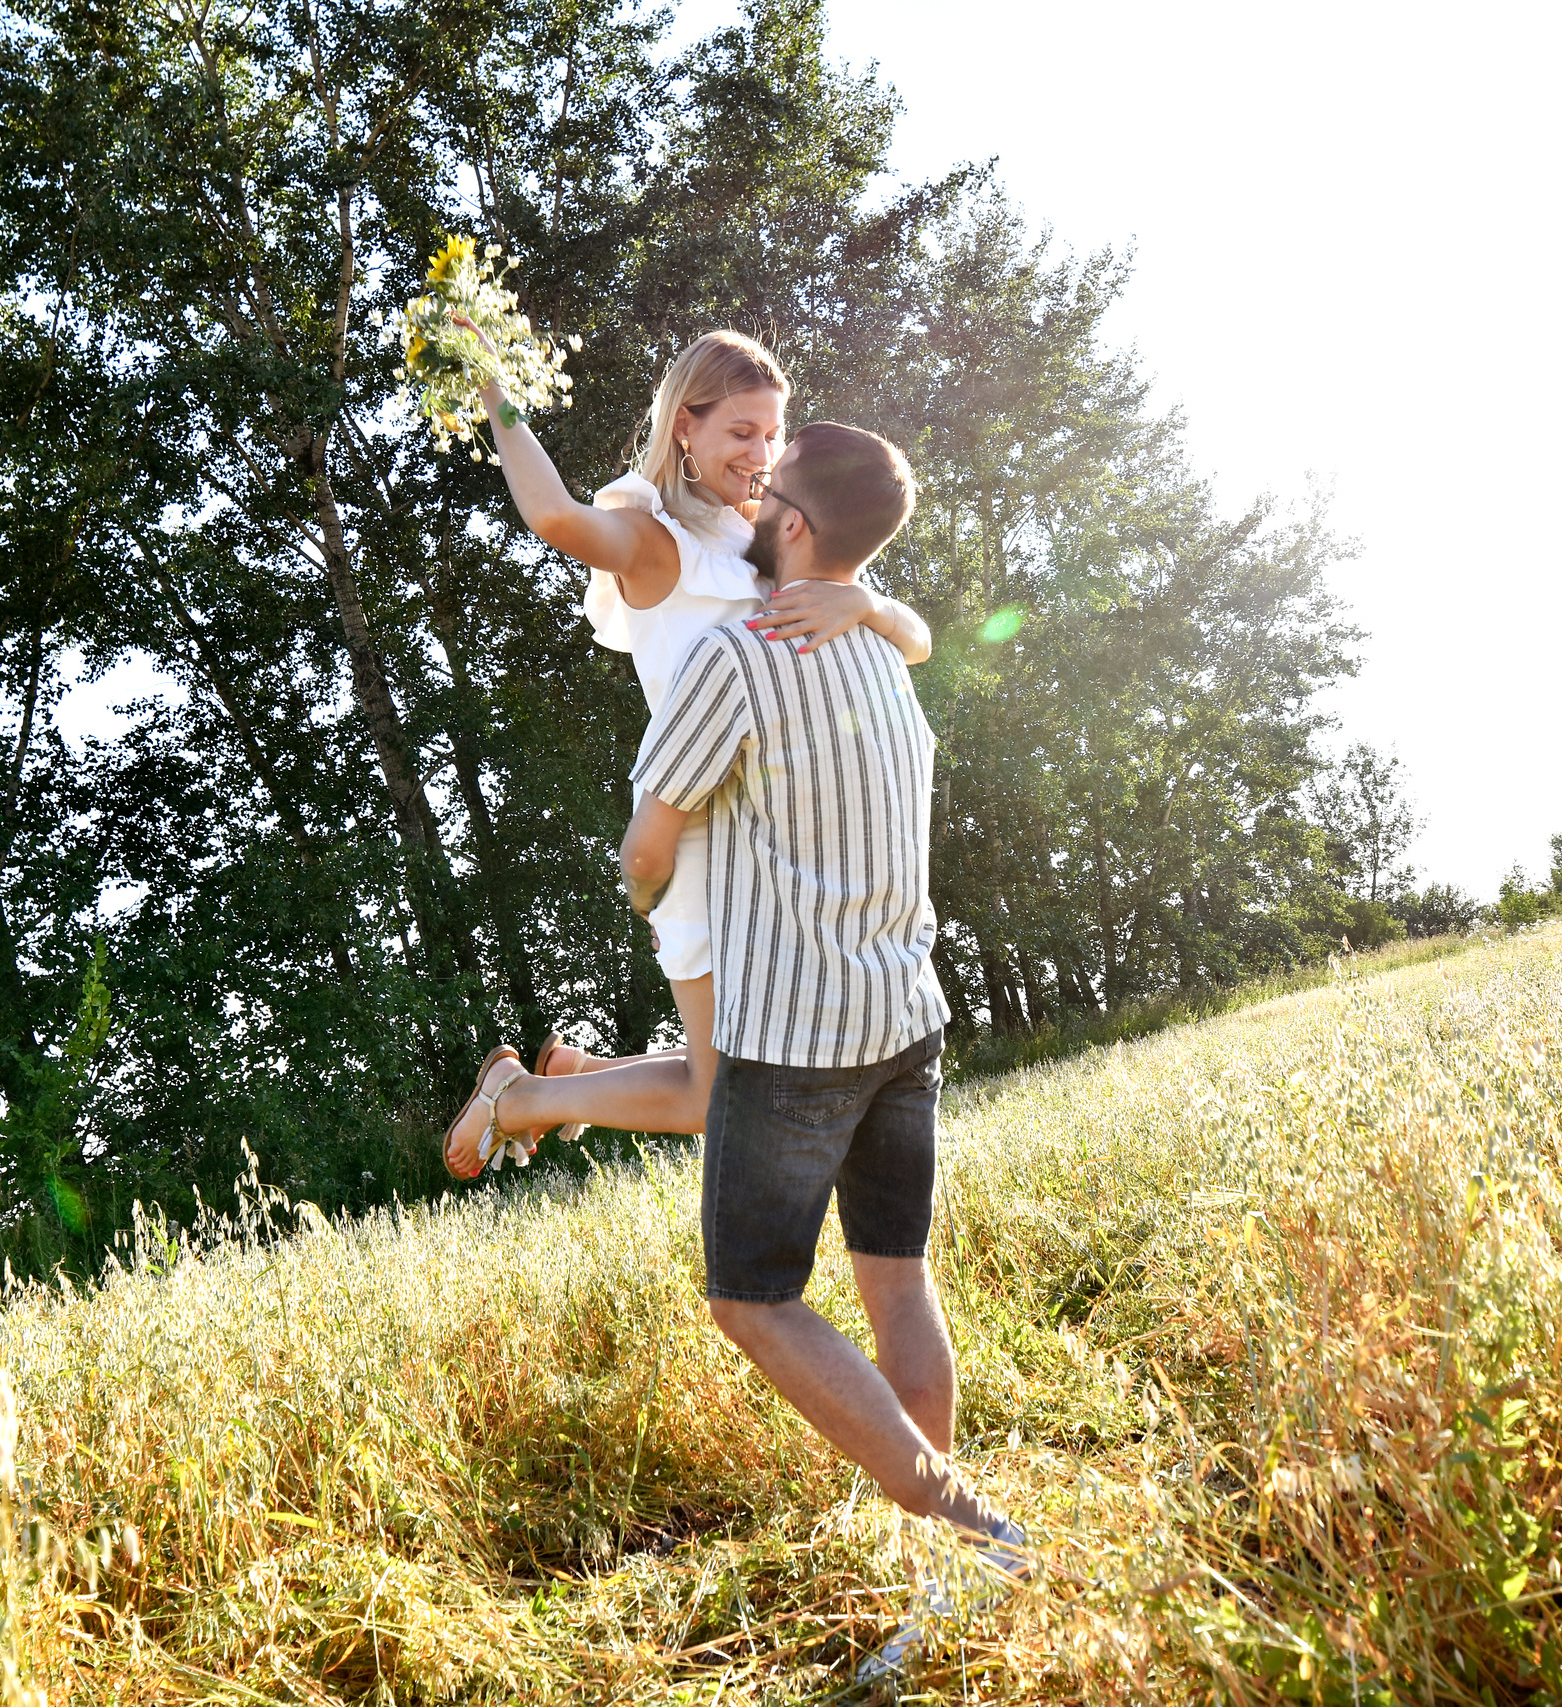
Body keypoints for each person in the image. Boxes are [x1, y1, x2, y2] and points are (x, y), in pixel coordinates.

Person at [623, 422, 1026, 1665]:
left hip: (797, 1040)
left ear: (795, 526)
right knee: (896, 1280)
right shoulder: (878, 651)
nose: (754, 490)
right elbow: (898, 629)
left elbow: (650, 844)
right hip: (906, 1015)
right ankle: (949, 1578)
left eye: (771, 480)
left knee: (751, 1301)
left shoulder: (737, 656)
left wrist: (649, 901)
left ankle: (977, 1528)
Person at [441, 331, 932, 1175]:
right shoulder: (653, 537)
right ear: (686, 430)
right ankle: (523, 1097)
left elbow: (917, 642)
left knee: (741, 1070)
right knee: (719, 1092)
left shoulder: (770, 533)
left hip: (773, 834)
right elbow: (554, 515)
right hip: (694, 829)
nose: (763, 453)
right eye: (742, 432)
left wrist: (865, 605)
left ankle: (571, 1077)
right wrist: (496, 394)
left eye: (774, 435)